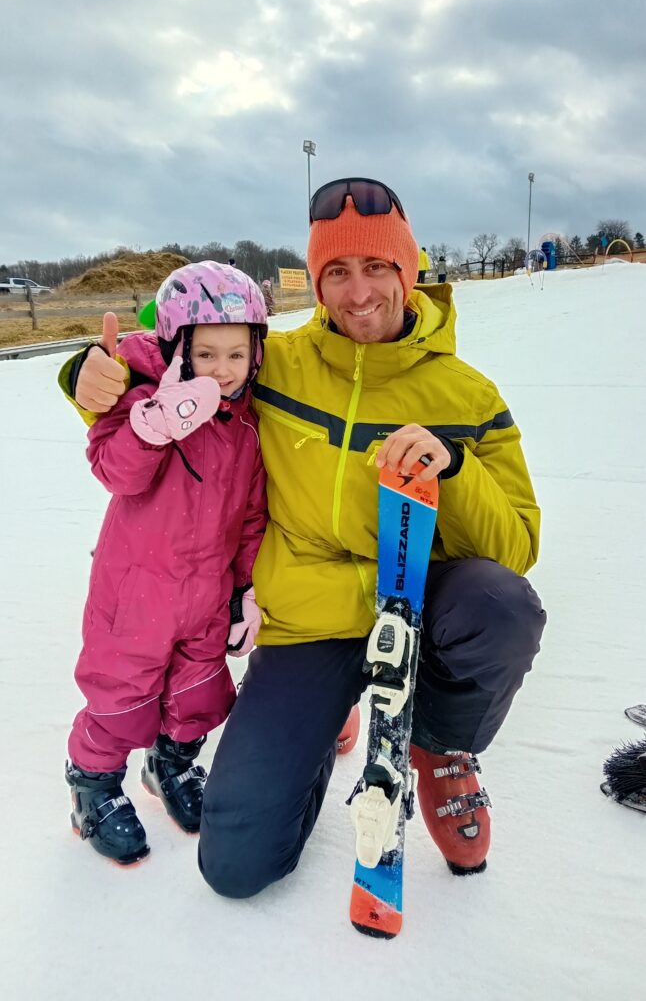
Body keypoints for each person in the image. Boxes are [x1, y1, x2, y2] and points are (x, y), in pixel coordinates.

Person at [61, 176, 546, 894]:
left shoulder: (468, 396)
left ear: (408, 271)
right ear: (316, 283)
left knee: (499, 604)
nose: (359, 292)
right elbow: (173, 364)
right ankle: (330, 707)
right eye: (337, 272)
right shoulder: (272, 362)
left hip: (414, 600)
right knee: (236, 868)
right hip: (311, 619)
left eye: (376, 266)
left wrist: (456, 467)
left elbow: (517, 549)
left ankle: (442, 749)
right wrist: (86, 374)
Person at [64, 261, 268, 865]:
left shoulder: (248, 426)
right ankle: (93, 786)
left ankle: (171, 766)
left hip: (206, 593)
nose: (222, 370)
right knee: (120, 691)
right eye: (206, 354)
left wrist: (244, 590)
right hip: (137, 591)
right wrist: (152, 426)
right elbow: (115, 472)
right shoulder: (144, 397)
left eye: (237, 355)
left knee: (197, 690)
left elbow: (252, 516)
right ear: (178, 348)